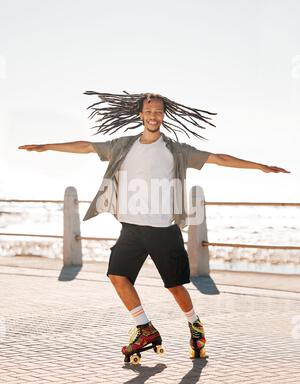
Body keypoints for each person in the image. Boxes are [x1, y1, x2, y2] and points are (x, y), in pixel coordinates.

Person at [18, 92, 290, 363]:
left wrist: (260, 167)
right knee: (117, 276)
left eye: (158, 111)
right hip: (131, 229)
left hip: (162, 229)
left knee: (174, 286)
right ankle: (145, 329)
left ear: (163, 115)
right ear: (140, 114)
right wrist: (46, 146)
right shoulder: (123, 145)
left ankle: (195, 325)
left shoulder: (176, 150)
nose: (153, 116)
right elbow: (87, 146)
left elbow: (219, 158)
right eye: (149, 111)